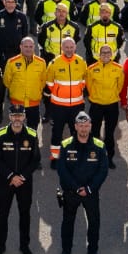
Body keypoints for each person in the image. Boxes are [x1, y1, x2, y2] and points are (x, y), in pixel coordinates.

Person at [56, 112, 109, 254]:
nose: (83, 129)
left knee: (94, 223)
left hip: (90, 193)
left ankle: (93, 251)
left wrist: (89, 189)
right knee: (68, 223)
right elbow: (61, 170)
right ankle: (66, 251)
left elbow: (103, 171)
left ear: (90, 126)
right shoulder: (65, 145)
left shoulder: (99, 146)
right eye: (81, 126)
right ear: (75, 126)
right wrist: (76, 188)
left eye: (86, 126)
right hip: (71, 192)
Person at [0, 104, 40, 254]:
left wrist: (22, 176)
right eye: (14, 115)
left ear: (24, 117)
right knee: (3, 214)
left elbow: (35, 160)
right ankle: (0, 246)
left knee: (25, 214)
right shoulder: (0, 134)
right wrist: (11, 176)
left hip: (24, 183)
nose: (17, 118)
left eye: (20, 115)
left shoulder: (32, 134)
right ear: (10, 117)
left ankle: (24, 246)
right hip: (6, 182)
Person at [42, 35, 89, 163]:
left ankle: (75, 156)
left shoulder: (81, 61)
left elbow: (85, 80)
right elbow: (49, 82)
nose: (69, 49)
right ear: (62, 48)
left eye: (71, 47)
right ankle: (55, 157)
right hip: (58, 106)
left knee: (77, 132)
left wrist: (78, 91)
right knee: (57, 132)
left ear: (75, 47)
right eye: (66, 47)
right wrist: (59, 93)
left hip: (77, 105)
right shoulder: (54, 63)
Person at [86, 42, 125, 167]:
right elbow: (89, 86)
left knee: (109, 134)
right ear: (99, 54)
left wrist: (112, 96)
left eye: (108, 52)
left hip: (112, 105)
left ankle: (109, 158)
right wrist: (96, 96)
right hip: (96, 105)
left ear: (112, 54)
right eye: (103, 52)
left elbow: (120, 86)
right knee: (94, 133)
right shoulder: (91, 69)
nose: (106, 55)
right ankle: (95, 156)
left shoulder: (118, 68)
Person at [2, 36, 47, 129]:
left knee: (33, 128)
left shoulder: (41, 62)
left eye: (30, 46)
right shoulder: (11, 62)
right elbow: (6, 81)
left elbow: (43, 81)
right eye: (26, 46)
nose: (28, 49)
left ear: (34, 47)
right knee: (16, 128)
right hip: (17, 103)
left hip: (33, 103)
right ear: (21, 47)